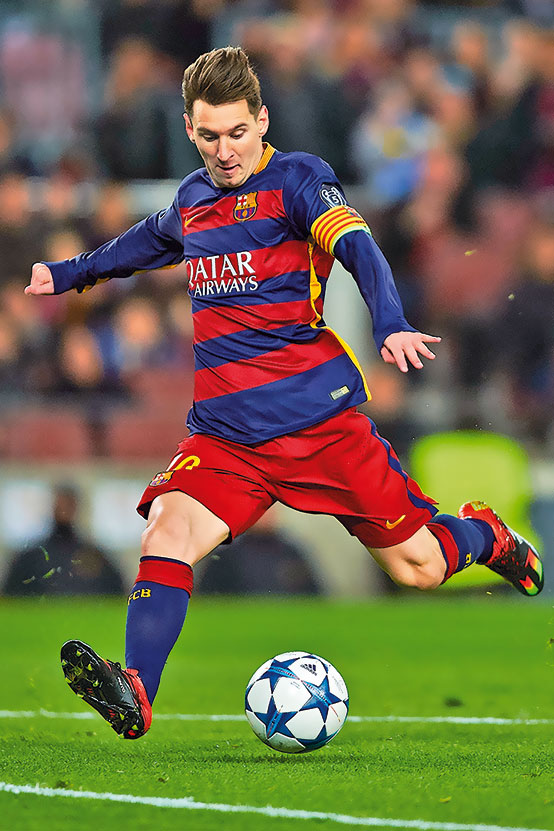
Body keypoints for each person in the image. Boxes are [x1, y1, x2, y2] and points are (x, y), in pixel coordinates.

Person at [25, 47, 544, 741]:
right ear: (190, 129)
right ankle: (138, 690)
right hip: (226, 437)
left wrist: (390, 321)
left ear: (262, 120)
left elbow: (359, 247)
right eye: (210, 135)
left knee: (419, 566)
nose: (226, 150)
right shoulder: (194, 200)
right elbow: (144, 243)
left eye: (238, 132)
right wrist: (67, 274)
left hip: (318, 426)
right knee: (168, 529)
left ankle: (486, 535)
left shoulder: (299, 181)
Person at [3, 484, 124, 597]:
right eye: (59, 504)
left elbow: (118, 593)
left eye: (68, 504)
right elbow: (10, 595)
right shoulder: (31, 559)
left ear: (76, 507)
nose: (63, 510)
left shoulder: (97, 558)